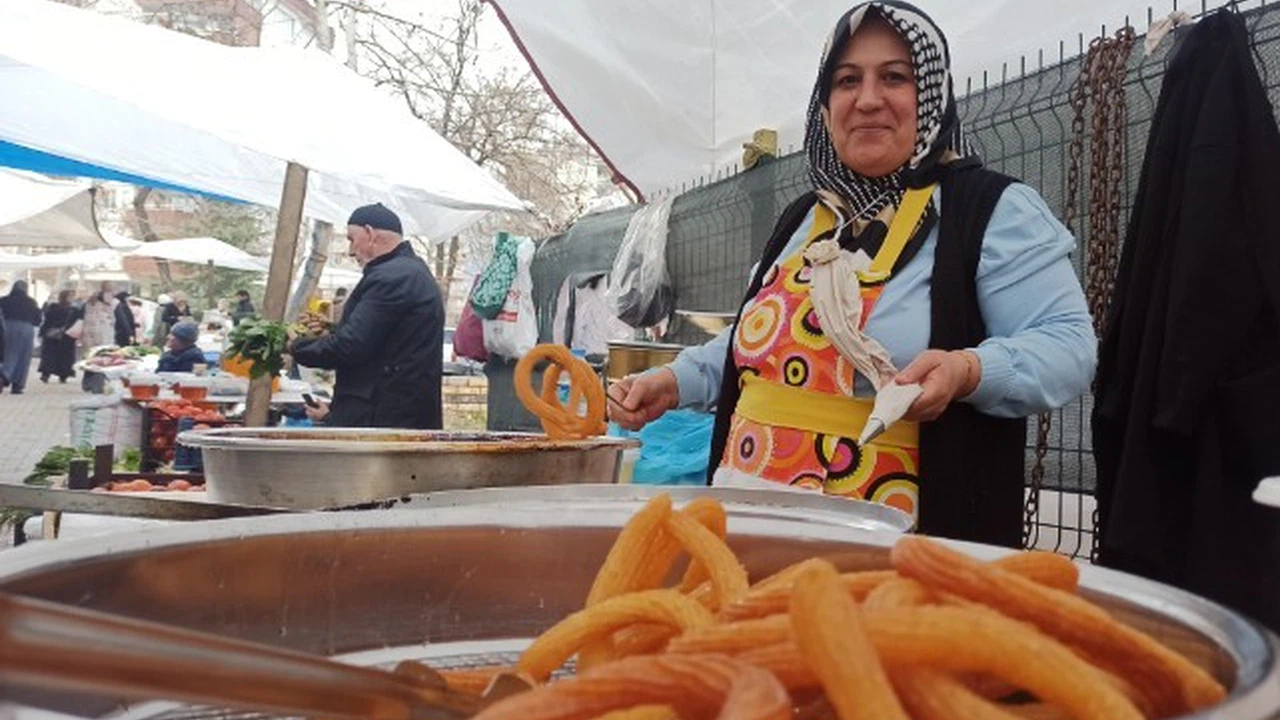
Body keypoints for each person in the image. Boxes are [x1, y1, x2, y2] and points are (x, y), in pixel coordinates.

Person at [607, 1, 1095, 548]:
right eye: (846, 80)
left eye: (895, 77)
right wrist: (674, 382)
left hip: (899, 545)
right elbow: (758, 349)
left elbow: (1069, 346)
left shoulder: (989, 211)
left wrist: (968, 370)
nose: (867, 99)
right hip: (749, 524)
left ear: (931, 94)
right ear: (826, 104)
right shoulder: (804, 219)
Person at [290, 203, 444, 429]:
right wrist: (330, 331)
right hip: (395, 412)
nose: (351, 251)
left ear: (370, 234)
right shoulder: (409, 271)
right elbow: (384, 340)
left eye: (352, 239)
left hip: (383, 419)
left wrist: (295, 346)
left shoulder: (392, 278)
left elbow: (352, 345)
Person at [0, 281, 42, 394]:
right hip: (26, 329)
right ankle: (17, 385)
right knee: (23, 357)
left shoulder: (3, 300)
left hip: (6, 326)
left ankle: (3, 375)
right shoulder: (30, 302)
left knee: (6, 354)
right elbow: (38, 319)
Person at [38, 289, 79, 384]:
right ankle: (51, 374)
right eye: (70, 296)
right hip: (60, 335)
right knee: (54, 356)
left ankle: (58, 375)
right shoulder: (67, 309)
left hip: (61, 335)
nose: (71, 298)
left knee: (58, 356)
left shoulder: (73, 310)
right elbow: (48, 320)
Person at [82, 286, 115, 351]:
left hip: (91, 336)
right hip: (102, 336)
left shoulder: (87, 307)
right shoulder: (103, 308)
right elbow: (112, 321)